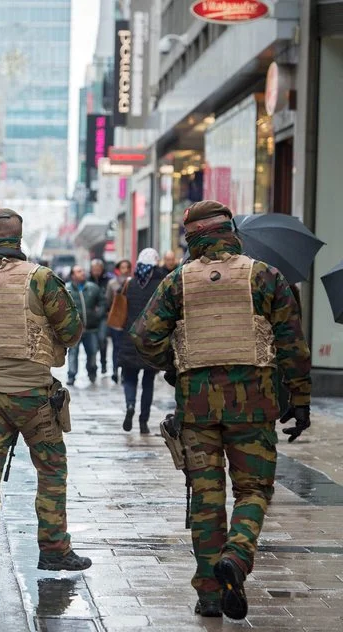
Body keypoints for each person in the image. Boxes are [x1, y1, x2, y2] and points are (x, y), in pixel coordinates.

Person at [130, 201, 311, 620]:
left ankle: (210, 595)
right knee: (253, 491)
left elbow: (144, 338)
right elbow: (293, 345)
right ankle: (238, 555)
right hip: (254, 406)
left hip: (197, 410)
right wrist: (299, 398)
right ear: (232, 233)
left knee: (206, 501)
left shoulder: (177, 282)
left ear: (191, 239)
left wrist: (177, 367)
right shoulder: (265, 276)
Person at [0, 208, 92, 577]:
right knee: (52, 469)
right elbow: (72, 330)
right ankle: (54, 549)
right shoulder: (41, 280)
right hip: (35, 397)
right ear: (19, 239)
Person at [116, 249, 165, 434]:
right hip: (150, 339)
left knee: (129, 378)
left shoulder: (131, 284)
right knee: (148, 382)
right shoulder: (160, 285)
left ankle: (130, 405)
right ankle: (143, 422)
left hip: (130, 338)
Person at [64, 265, 104, 386]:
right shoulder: (66, 289)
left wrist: (98, 315)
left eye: (82, 271)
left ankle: (92, 373)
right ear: (72, 275)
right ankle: (71, 375)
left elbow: (102, 302)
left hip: (91, 328)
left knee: (92, 353)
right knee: (73, 353)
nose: (82, 273)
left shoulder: (92, 287)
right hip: (75, 329)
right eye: (78, 271)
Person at [106, 259, 132, 384]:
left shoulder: (133, 283)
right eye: (123, 267)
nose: (125, 270)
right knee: (116, 346)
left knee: (125, 347)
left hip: (128, 321)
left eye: (127, 267)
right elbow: (108, 301)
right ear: (118, 269)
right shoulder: (112, 284)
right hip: (116, 320)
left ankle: (123, 371)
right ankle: (115, 370)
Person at [89, 259, 113, 375]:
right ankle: (92, 366)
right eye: (94, 269)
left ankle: (103, 362)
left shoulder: (108, 281)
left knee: (102, 339)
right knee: (92, 343)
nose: (96, 272)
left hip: (104, 316)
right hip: (90, 318)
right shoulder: (88, 281)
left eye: (98, 269)